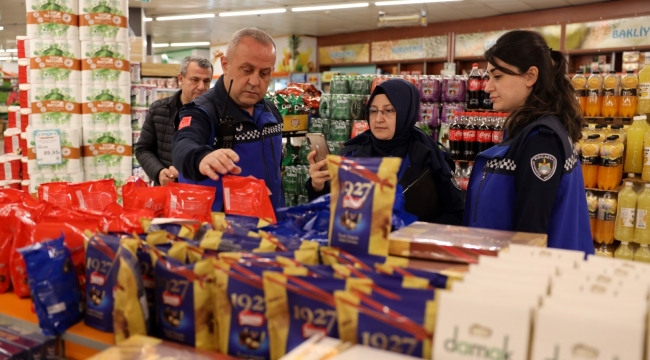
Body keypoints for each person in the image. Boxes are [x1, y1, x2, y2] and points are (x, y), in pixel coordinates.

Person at [463, 30, 594, 253]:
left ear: (530, 76)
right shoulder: (527, 132)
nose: (487, 87)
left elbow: (530, 234)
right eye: (488, 77)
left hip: (534, 277)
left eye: (498, 76)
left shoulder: (541, 140)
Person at [306, 79, 465, 225]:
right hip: (359, 248)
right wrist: (317, 187)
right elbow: (328, 213)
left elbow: (457, 214)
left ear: (406, 113)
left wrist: (413, 231)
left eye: (389, 111)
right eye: (374, 111)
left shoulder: (427, 157)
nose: (378, 119)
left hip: (409, 250)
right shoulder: (351, 154)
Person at [171, 28, 284, 212]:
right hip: (220, 235)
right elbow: (183, 145)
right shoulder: (201, 111)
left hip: (273, 229)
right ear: (225, 64)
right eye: (246, 70)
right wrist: (202, 157)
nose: (255, 81)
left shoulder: (271, 111)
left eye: (264, 73)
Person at [135, 56, 213, 186]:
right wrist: (159, 172)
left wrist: (189, 168)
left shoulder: (216, 114)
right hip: (167, 191)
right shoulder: (159, 110)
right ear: (181, 79)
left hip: (202, 192)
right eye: (195, 80)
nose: (201, 86)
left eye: (206, 81)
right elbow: (143, 149)